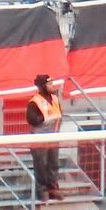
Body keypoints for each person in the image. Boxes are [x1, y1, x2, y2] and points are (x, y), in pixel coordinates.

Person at [26, 74, 63, 202]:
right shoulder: (34, 102)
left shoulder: (55, 99)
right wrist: (44, 117)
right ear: (43, 86)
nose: (53, 86)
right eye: (50, 84)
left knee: (54, 164)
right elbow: (32, 120)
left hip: (53, 137)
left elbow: (59, 115)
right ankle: (42, 191)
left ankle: (53, 189)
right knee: (41, 165)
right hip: (39, 138)